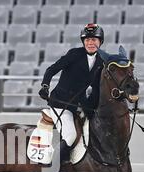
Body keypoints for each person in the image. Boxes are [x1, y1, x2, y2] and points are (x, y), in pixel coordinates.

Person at [39, 23, 105, 162]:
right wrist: (45, 86)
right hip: (61, 103)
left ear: (100, 41)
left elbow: (96, 88)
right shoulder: (74, 54)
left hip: (80, 105)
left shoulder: (101, 61)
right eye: (87, 40)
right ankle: (53, 169)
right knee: (70, 136)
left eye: (94, 40)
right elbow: (51, 70)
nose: (90, 43)